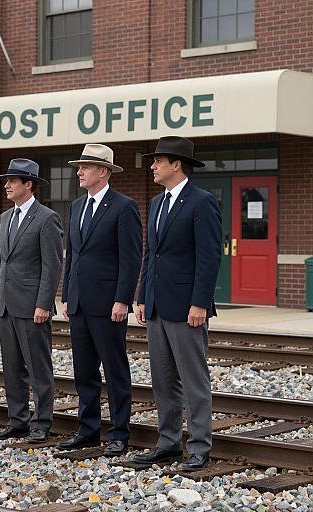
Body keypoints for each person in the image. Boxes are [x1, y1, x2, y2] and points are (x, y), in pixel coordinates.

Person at [133, 136, 222, 471]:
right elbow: (151, 254)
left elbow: (210, 257)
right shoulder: (156, 203)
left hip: (187, 307)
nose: (152, 166)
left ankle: (199, 446)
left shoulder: (202, 202)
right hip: (156, 305)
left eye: (158, 161)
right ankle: (168, 442)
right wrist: (143, 296)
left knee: (193, 378)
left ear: (176, 164)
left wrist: (200, 303)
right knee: (163, 378)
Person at [57, 144, 143, 457]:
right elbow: (73, 255)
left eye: (85, 167)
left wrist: (123, 300)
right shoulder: (77, 206)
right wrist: (66, 294)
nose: (79, 172)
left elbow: (130, 258)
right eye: (79, 167)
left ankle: (119, 433)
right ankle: (88, 430)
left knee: (115, 370)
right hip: (79, 303)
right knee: (84, 371)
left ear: (103, 171)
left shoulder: (124, 206)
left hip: (109, 305)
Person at [0, 159, 63, 443]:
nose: (6, 185)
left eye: (12, 181)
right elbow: (0, 262)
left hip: (33, 307)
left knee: (38, 367)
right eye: (6, 181)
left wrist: (44, 304)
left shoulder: (47, 218)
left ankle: (42, 422)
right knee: (11, 367)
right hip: (6, 305)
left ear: (28, 184)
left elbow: (52, 265)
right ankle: (17, 419)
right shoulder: (5, 218)